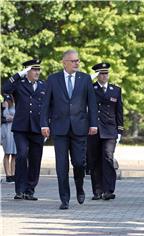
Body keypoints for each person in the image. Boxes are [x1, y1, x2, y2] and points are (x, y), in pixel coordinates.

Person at [40, 49, 98, 210]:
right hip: (59, 129)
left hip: (80, 128)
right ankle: (64, 199)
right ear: (64, 62)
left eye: (78, 61)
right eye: (73, 61)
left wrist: (94, 124)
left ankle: (79, 188)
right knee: (61, 165)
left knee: (79, 163)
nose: (76, 63)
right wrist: (44, 124)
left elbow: (91, 103)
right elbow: (45, 104)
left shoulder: (85, 79)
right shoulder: (53, 79)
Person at [2, 59, 46, 200]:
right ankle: (19, 190)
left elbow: (50, 106)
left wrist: (47, 125)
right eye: (34, 69)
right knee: (21, 155)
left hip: (38, 128)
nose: (37, 72)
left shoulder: (43, 85)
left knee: (35, 159)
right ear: (27, 71)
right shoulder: (19, 85)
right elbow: (5, 88)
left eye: (38, 69)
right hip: (21, 128)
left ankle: (30, 190)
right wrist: (19, 74)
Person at [87, 62, 123, 201]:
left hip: (110, 130)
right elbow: (79, 89)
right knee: (94, 160)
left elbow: (119, 111)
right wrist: (91, 77)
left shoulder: (115, 90)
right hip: (93, 129)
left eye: (106, 73)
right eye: (101, 73)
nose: (104, 76)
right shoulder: (90, 88)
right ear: (97, 75)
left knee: (108, 157)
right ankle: (97, 190)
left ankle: (108, 190)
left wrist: (120, 130)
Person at [1, 95, 17, 183]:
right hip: (7, 130)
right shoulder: (6, 102)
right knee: (7, 153)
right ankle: (8, 175)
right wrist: (16, 119)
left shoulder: (17, 103)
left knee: (14, 154)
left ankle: (13, 174)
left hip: (14, 130)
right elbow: (6, 116)